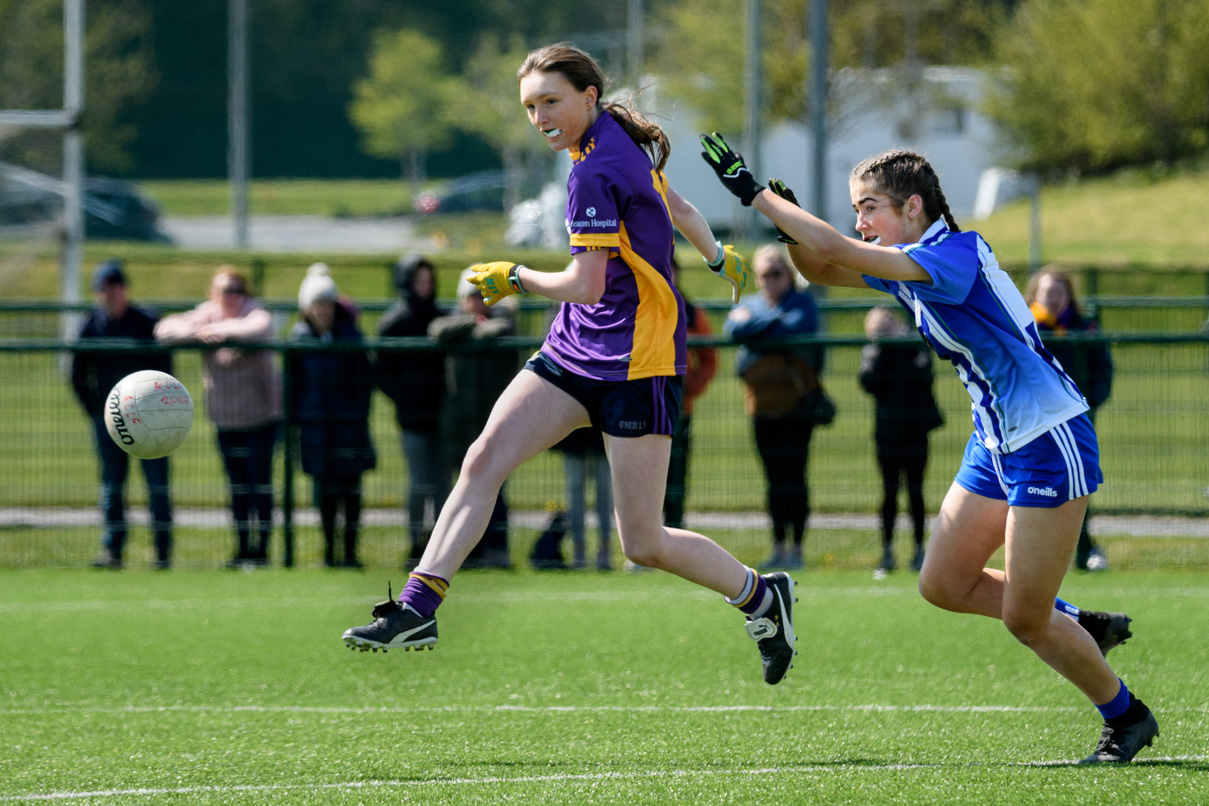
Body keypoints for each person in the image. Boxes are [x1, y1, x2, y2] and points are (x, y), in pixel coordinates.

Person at [343, 43, 800, 690]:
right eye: (529, 106)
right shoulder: (607, 146)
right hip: (571, 352)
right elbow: (679, 208)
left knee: (642, 542)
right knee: (483, 462)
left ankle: (760, 596)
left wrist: (513, 277)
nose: (539, 117)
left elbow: (585, 284)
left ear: (588, 95)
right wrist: (717, 256)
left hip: (636, 362)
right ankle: (419, 606)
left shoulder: (594, 169)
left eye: (550, 102)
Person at [699, 136, 1154, 760]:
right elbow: (823, 268)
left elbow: (832, 247)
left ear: (913, 207)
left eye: (869, 207)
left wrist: (756, 195)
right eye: (857, 210)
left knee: (1025, 619)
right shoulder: (913, 259)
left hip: (1048, 437)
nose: (861, 222)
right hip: (995, 439)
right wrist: (787, 227)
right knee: (941, 582)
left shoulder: (953, 255)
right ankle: (1075, 621)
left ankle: (1126, 716)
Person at [155, 267, 281, 568]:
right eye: (226, 290)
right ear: (213, 294)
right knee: (236, 488)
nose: (232, 296)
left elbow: (260, 327)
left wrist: (223, 333)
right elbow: (165, 329)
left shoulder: (253, 313)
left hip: (261, 418)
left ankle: (261, 551)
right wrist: (199, 333)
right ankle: (241, 549)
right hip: (225, 420)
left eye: (238, 290)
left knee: (259, 486)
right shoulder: (206, 314)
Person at [724, 245, 823, 571]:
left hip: (796, 405)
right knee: (773, 479)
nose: (770, 280)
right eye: (764, 274)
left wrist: (758, 324)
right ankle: (778, 545)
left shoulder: (803, 302)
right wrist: (773, 320)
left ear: (789, 274)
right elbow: (732, 330)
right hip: (761, 406)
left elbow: (797, 327)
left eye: (777, 273)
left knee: (796, 476)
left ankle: (797, 547)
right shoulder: (750, 302)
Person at [70, 259, 174, 569]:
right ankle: (113, 551)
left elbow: (166, 370)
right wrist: (96, 412)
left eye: (115, 286)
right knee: (112, 486)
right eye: (104, 288)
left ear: (125, 288)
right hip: (109, 422)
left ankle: (163, 552)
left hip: (151, 423)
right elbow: (77, 374)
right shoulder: (91, 324)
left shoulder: (146, 321)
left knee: (157, 486)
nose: (111, 294)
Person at [426, 268, 519, 569]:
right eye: (470, 297)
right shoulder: (454, 322)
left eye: (482, 296)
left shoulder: (503, 320)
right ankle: (466, 554)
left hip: (493, 424)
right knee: (461, 491)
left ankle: (497, 550)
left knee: (496, 490)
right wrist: (471, 323)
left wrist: (473, 327)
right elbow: (437, 330)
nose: (477, 303)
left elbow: (496, 331)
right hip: (459, 424)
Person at [288, 264, 377, 568]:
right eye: (316, 303)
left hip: (349, 428)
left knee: (351, 492)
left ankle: (350, 553)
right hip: (316, 430)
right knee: (324, 493)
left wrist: (354, 414)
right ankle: (329, 552)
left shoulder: (351, 337)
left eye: (326, 303)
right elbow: (292, 386)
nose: (322, 310)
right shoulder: (298, 340)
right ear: (306, 308)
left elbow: (364, 382)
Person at [1025, 269, 1114, 572]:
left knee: (1077, 485)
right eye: (1048, 291)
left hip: (1078, 422)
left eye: (1060, 291)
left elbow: (1103, 370)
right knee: (1036, 484)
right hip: (1034, 424)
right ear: (1035, 294)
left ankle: (1084, 549)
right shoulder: (1025, 328)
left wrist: (1089, 405)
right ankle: (1036, 554)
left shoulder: (1085, 327)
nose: (1054, 297)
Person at [858, 305, 944, 573]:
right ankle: (887, 551)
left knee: (916, 490)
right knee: (890, 490)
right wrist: (883, 350)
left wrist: (896, 351)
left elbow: (922, 374)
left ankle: (919, 550)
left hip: (916, 429)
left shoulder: (915, 341)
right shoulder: (876, 351)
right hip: (887, 430)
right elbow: (869, 382)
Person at [376, 254, 448, 566]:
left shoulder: (442, 318)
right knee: (420, 482)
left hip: (443, 415)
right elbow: (382, 373)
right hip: (412, 417)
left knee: (444, 484)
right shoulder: (394, 323)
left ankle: (443, 547)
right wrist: (406, 399)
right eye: (420, 280)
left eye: (429, 280)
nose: (426, 286)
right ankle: (416, 543)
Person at [664, 256, 718, 530]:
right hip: (641, 406)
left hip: (679, 410)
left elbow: (709, 359)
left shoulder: (691, 311)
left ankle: (674, 535)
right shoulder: (637, 304)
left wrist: (691, 388)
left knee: (676, 476)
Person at [552, 425, 614, 570]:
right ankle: (578, 551)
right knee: (575, 491)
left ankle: (605, 550)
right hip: (575, 436)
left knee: (604, 492)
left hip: (603, 433)